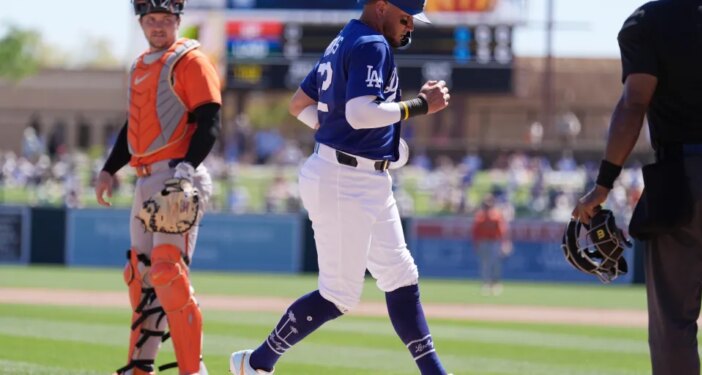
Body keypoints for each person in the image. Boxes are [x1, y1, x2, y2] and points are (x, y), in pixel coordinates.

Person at [229, 0, 452, 374]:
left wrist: (336, 131)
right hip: (343, 180)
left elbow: (299, 104)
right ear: (381, 6)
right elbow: (360, 113)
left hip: (362, 175)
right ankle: (256, 363)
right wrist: (419, 105)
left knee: (401, 275)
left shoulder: (345, 39)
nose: (409, 27)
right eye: (404, 17)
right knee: (338, 295)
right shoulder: (371, 43)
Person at [572, 1, 702, 374]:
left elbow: (634, 104)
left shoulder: (648, 20)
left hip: (680, 181)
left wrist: (604, 184)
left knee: (674, 325)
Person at [94, 1, 222, 374]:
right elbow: (132, 128)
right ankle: (140, 366)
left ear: (178, 21)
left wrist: (186, 168)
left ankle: (192, 370)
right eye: (152, 20)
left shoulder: (191, 61)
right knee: (141, 276)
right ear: (142, 23)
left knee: (168, 271)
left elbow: (210, 119)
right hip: (145, 178)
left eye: (167, 19)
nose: (159, 26)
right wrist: (108, 169)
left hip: (177, 176)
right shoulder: (139, 66)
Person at [471, 194, 510, 296]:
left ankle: (496, 284)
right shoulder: (480, 215)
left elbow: (502, 231)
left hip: (494, 242)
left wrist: (504, 243)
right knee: (485, 264)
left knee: (495, 264)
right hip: (483, 242)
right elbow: (475, 232)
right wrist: (476, 244)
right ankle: (486, 284)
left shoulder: (496, 215)